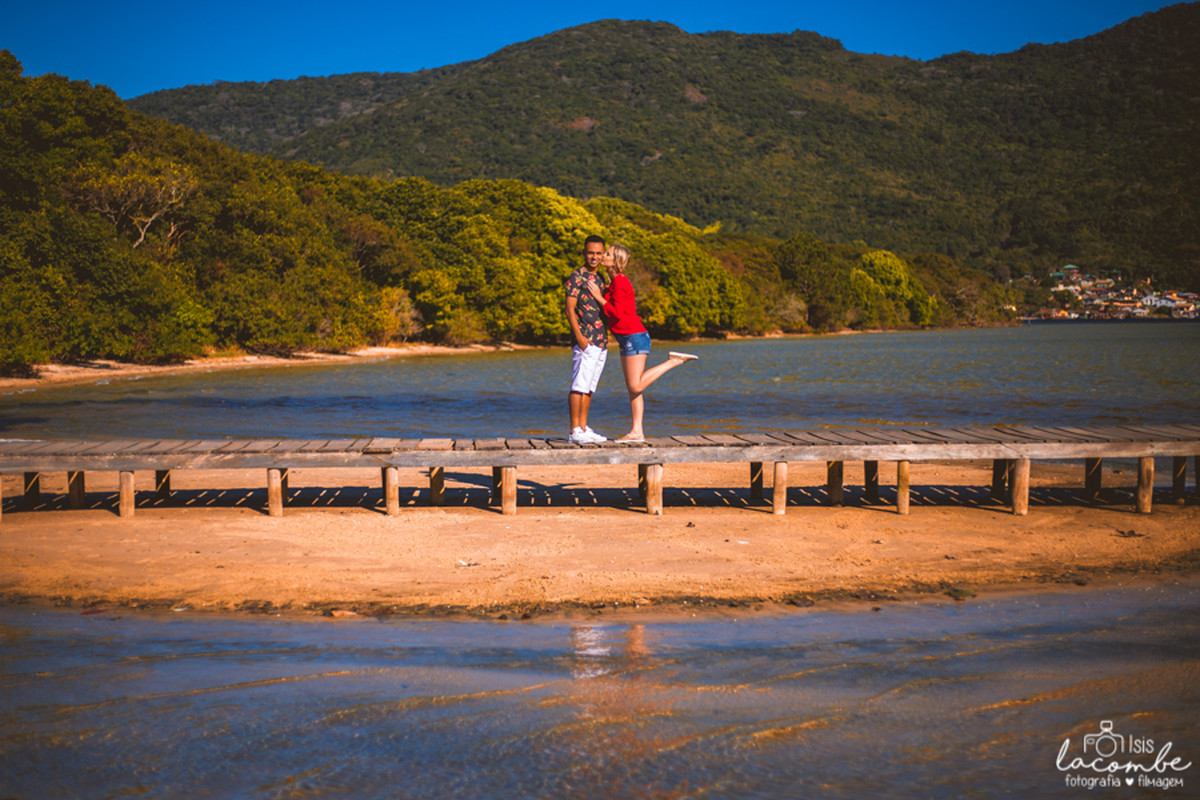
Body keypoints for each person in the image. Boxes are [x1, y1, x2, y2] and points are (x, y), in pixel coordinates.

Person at [588, 244, 696, 443]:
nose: (604, 255)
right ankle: (637, 431)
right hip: (627, 338)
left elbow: (616, 312)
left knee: (636, 386)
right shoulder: (613, 282)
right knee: (633, 389)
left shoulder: (621, 281)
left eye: (608, 254)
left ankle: (673, 361)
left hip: (634, 336)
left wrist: (598, 298)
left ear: (616, 260)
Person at [564, 235, 609, 444]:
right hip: (586, 339)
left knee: (589, 386)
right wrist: (580, 337)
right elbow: (569, 309)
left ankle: (583, 427)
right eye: (591, 252)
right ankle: (574, 431)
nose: (594, 257)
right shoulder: (576, 277)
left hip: (601, 340)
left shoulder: (601, 279)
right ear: (584, 253)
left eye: (598, 253)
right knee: (579, 385)